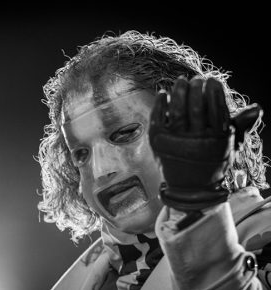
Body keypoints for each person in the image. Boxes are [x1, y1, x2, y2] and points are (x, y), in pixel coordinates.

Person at [37, 31, 271, 289]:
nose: (101, 170)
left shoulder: (263, 234)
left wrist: (197, 205)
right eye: (81, 153)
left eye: (125, 134)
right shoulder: (89, 276)